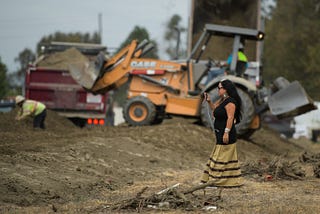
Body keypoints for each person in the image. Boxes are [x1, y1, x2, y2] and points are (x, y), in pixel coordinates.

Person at [200, 79, 243, 187]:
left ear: (226, 89)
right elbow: (215, 110)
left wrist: (226, 132)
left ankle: (216, 181)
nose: (218, 90)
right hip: (220, 133)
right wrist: (209, 101)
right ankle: (221, 180)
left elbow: (230, 118)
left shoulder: (231, 102)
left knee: (221, 158)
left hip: (226, 134)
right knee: (220, 157)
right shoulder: (223, 100)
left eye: (219, 88)